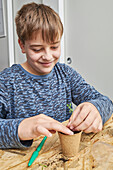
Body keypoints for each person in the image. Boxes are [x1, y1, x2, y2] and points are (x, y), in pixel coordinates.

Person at [0, 2, 113, 149]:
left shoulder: (66, 74)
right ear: (22, 46)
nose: (48, 56)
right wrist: (20, 127)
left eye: (54, 47)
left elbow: (106, 102)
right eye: (37, 49)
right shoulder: (7, 81)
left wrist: (96, 108)